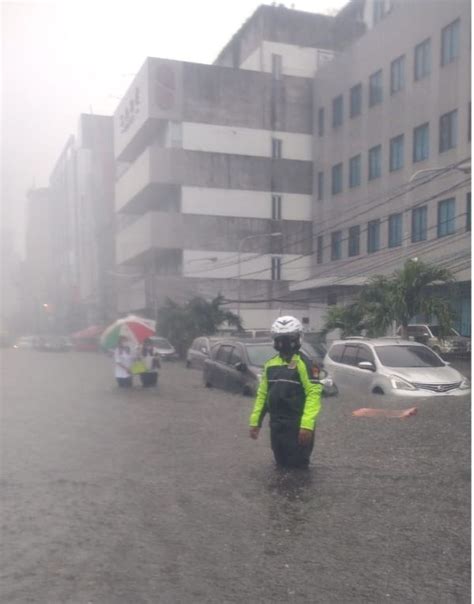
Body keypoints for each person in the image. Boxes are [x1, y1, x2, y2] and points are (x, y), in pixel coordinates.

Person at [249, 316, 323, 469]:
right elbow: (263, 395)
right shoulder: (270, 365)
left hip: (297, 426)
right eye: (280, 340)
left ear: (298, 339)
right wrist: (255, 422)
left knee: (298, 471)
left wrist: (307, 426)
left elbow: (313, 394)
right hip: (276, 426)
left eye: (289, 339)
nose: (284, 344)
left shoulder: (305, 364)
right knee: (280, 467)